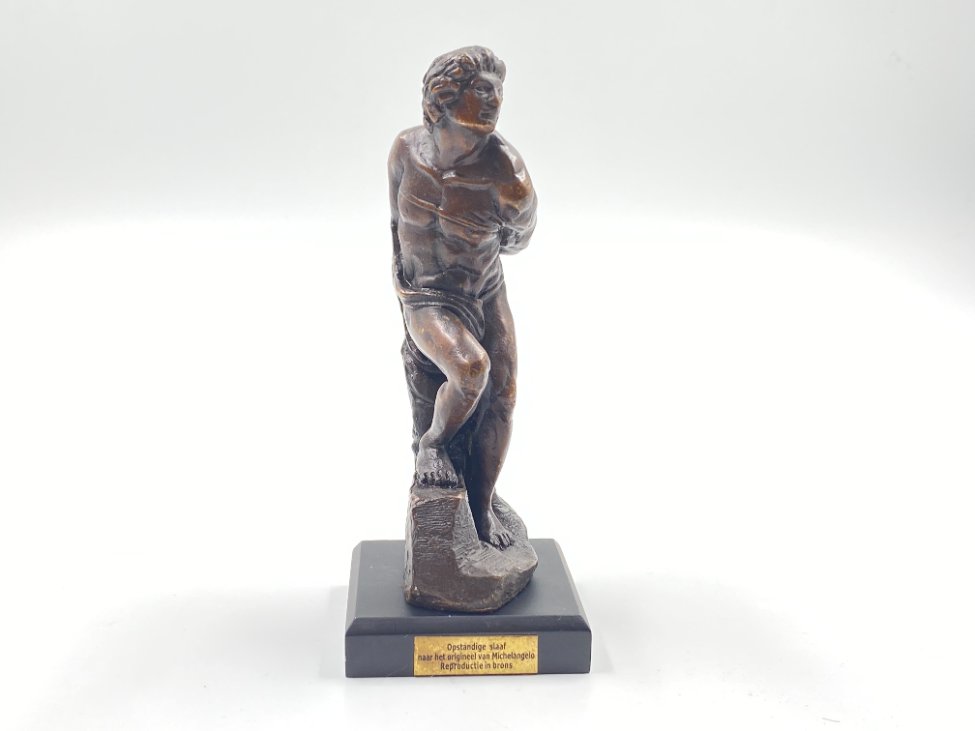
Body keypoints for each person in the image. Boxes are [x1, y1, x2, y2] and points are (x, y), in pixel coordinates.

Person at [388, 46, 537, 549]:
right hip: (426, 295)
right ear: (445, 96)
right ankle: (432, 443)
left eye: (499, 91)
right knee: (471, 369)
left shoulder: (508, 175)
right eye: (482, 90)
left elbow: (518, 239)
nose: (495, 100)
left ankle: (480, 504)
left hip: (484, 290)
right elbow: (395, 223)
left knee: (504, 396)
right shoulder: (406, 151)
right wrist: (403, 287)